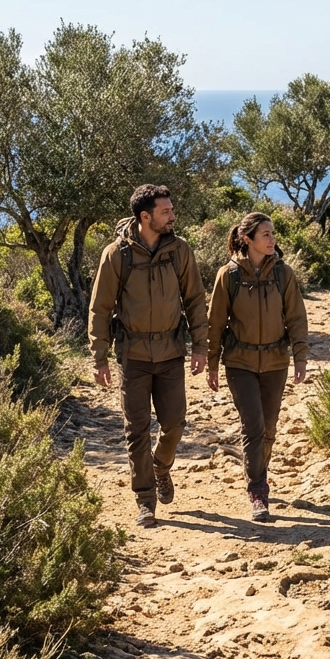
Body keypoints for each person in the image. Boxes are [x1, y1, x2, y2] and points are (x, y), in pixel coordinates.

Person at [89, 184, 209, 528]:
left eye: (171, 210)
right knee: (136, 430)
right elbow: (100, 308)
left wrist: (200, 346)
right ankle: (145, 500)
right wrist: (99, 356)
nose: (173, 216)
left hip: (171, 353)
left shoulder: (180, 250)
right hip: (134, 356)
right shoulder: (117, 255)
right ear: (145, 216)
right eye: (166, 211)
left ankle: (161, 467)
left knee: (174, 423)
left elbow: (195, 300)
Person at [206, 211, 309, 522]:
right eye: (265, 234)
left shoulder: (283, 274)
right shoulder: (229, 276)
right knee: (253, 427)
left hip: (276, 362)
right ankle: (258, 493)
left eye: (273, 233)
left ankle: (256, 471)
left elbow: (296, 318)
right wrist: (211, 363)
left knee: (269, 428)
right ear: (247, 239)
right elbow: (215, 324)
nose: (272, 239)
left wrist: (300, 358)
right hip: (240, 363)